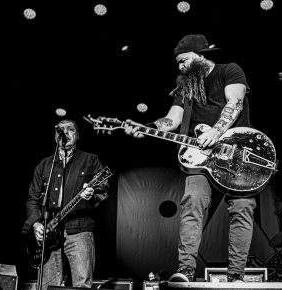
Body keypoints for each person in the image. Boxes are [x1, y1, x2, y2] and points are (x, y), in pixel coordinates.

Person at [125, 34, 256, 283]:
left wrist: (217, 131)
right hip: (200, 158)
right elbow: (171, 121)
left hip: (236, 154)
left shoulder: (229, 70)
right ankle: (184, 270)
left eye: (183, 60)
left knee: (242, 208)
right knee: (192, 202)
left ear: (200, 56)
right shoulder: (185, 88)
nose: (180, 66)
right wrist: (146, 126)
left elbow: (235, 102)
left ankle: (236, 275)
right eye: (177, 62)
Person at [22, 119, 109, 289]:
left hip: (80, 230)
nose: (65, 132)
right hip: (48, 233)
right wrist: (36, 224)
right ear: (56, 137)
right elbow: (33, 198)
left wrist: (91, 193)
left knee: (81, 284)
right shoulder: (45, 164)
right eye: (60, 130)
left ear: (77, 135)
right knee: (47, 285)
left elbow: (102, 188)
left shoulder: (90, 160)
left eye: (70, 129)